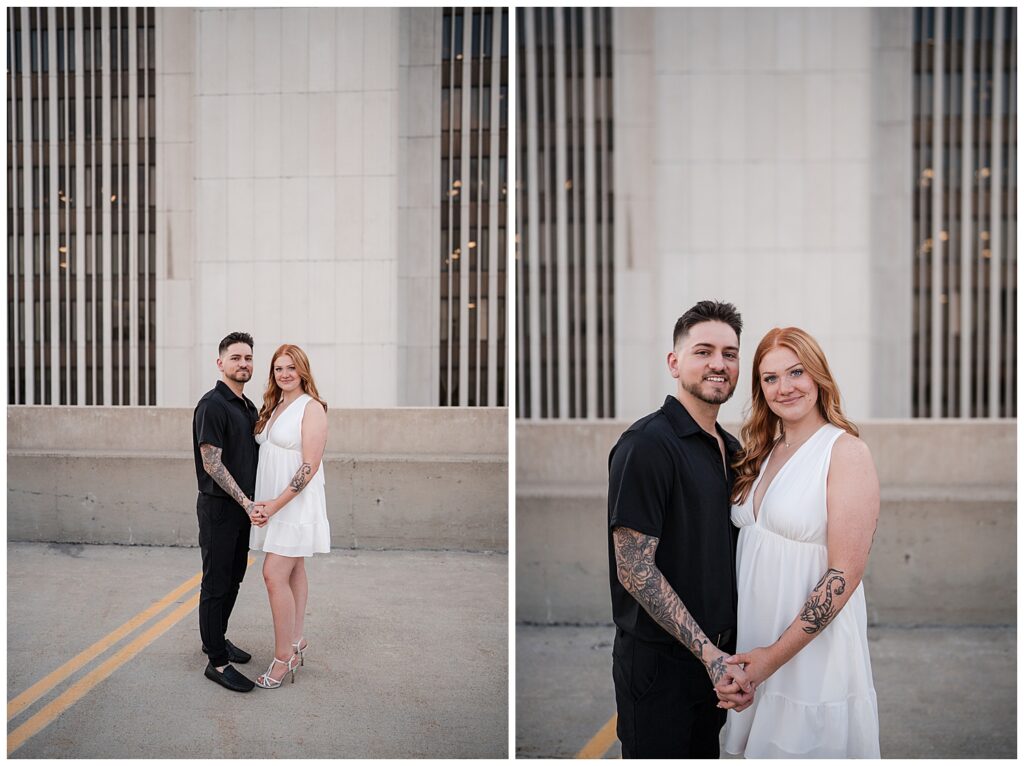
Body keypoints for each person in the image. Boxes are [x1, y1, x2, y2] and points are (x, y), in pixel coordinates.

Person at [717, 327, 881, 757]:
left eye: (796, 372)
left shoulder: (844, 452)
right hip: (755, 646)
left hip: (811, 657)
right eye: (770, 378)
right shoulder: (762, 451)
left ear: (818, 377)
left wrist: (773, 656)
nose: (784, 387)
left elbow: (844, 574)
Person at [607, 300, 754, 759]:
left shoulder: (731, 451)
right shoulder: (647, 445)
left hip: (714, 671)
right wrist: (708, 653)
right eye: (703, 351)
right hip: (660, 671)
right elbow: (635, 570)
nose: (718, 363)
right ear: (674, 363)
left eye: (729, 354)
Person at [249, 344, 331, 689]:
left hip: (293, 502)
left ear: (303, 371)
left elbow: (309, 466)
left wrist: (274, 504)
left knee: (272, 574)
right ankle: (297, 640)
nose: (284, 374)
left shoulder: (311, 409)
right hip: (273, 501)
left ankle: (283, 657)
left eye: (291, 368)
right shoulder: (274, 405)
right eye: (279, 368)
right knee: (294, 568)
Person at [193, 331, 263, 693]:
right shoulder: (213, 404)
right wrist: (245, 501)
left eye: (248, 358)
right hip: (220, 509)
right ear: (220, 363)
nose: (244, 364)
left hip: (242, 511)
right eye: (236, 358)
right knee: (216, 583)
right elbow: (212, 463)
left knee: (234, 578)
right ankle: (216, 662)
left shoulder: (248, 406)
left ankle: (217, 638)